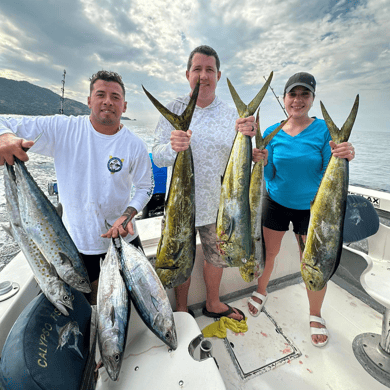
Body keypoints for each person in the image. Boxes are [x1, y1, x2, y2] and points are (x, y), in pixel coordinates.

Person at [0, 70, 154, 304]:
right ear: (89, 100)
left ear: (124, 106)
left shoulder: (135, 145)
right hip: (75, 248)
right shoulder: (62, 129)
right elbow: (4, 122)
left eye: (115, 97)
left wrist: (127, 215)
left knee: (131, 306)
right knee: (83, 314)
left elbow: (145, 187)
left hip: (124, 243)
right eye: (100, 94)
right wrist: (5, 138)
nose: (107, 101)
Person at [248, 72, 356, 346]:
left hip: (313, 210)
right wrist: (262, 161)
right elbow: (270, 175)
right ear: (284, 98)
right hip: (275, 203)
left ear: (312, 99)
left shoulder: (323, 131)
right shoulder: (272, 132)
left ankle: (315, 314)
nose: (298, 100)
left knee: (313, 262)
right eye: (292, 94)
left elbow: (327, 169)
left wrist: (345, 153)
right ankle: (261, 291)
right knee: (269, 254)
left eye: (304, 95)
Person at [152, 45, 256, 321]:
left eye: (209, 69)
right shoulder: (174, 108)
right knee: (180, 258)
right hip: (180, 207)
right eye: (197, 69)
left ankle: (213, 303)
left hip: (219, 206)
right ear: (188, 74)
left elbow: (239, 157)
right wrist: (172, 147)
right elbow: (158, 157)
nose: (203, 75)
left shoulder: (232, 112)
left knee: (216, 257)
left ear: (218, 75)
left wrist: (252, 142)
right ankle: (182, 309)